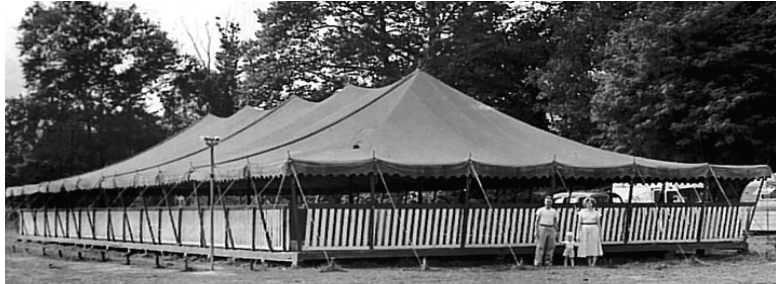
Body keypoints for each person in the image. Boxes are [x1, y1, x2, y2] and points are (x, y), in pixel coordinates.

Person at [576, 197, 603, 266]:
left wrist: (600, 235)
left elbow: (599, 224)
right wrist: (577, 234)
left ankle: (594, 262)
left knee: (594, 244)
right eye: (587, 203)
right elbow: (579, 223)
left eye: (590, 203)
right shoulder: (581, 212)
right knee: (587, 244)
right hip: (584, 228)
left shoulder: (596, 213)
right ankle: (589, 261)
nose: (589, 205)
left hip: (594, 228)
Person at [534, 195, 559, 266]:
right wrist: (536, 231)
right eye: (547, 202)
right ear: (544, 202)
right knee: (540, 246)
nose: (549, 203)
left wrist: (557, 231)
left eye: (550, 202)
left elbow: (555, 221)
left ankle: (548, 262)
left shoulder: (554, 211)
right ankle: (538, 261)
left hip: (551, 228)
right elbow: (537, 221)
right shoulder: (540, 210)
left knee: (550, 246)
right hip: (542, 227)